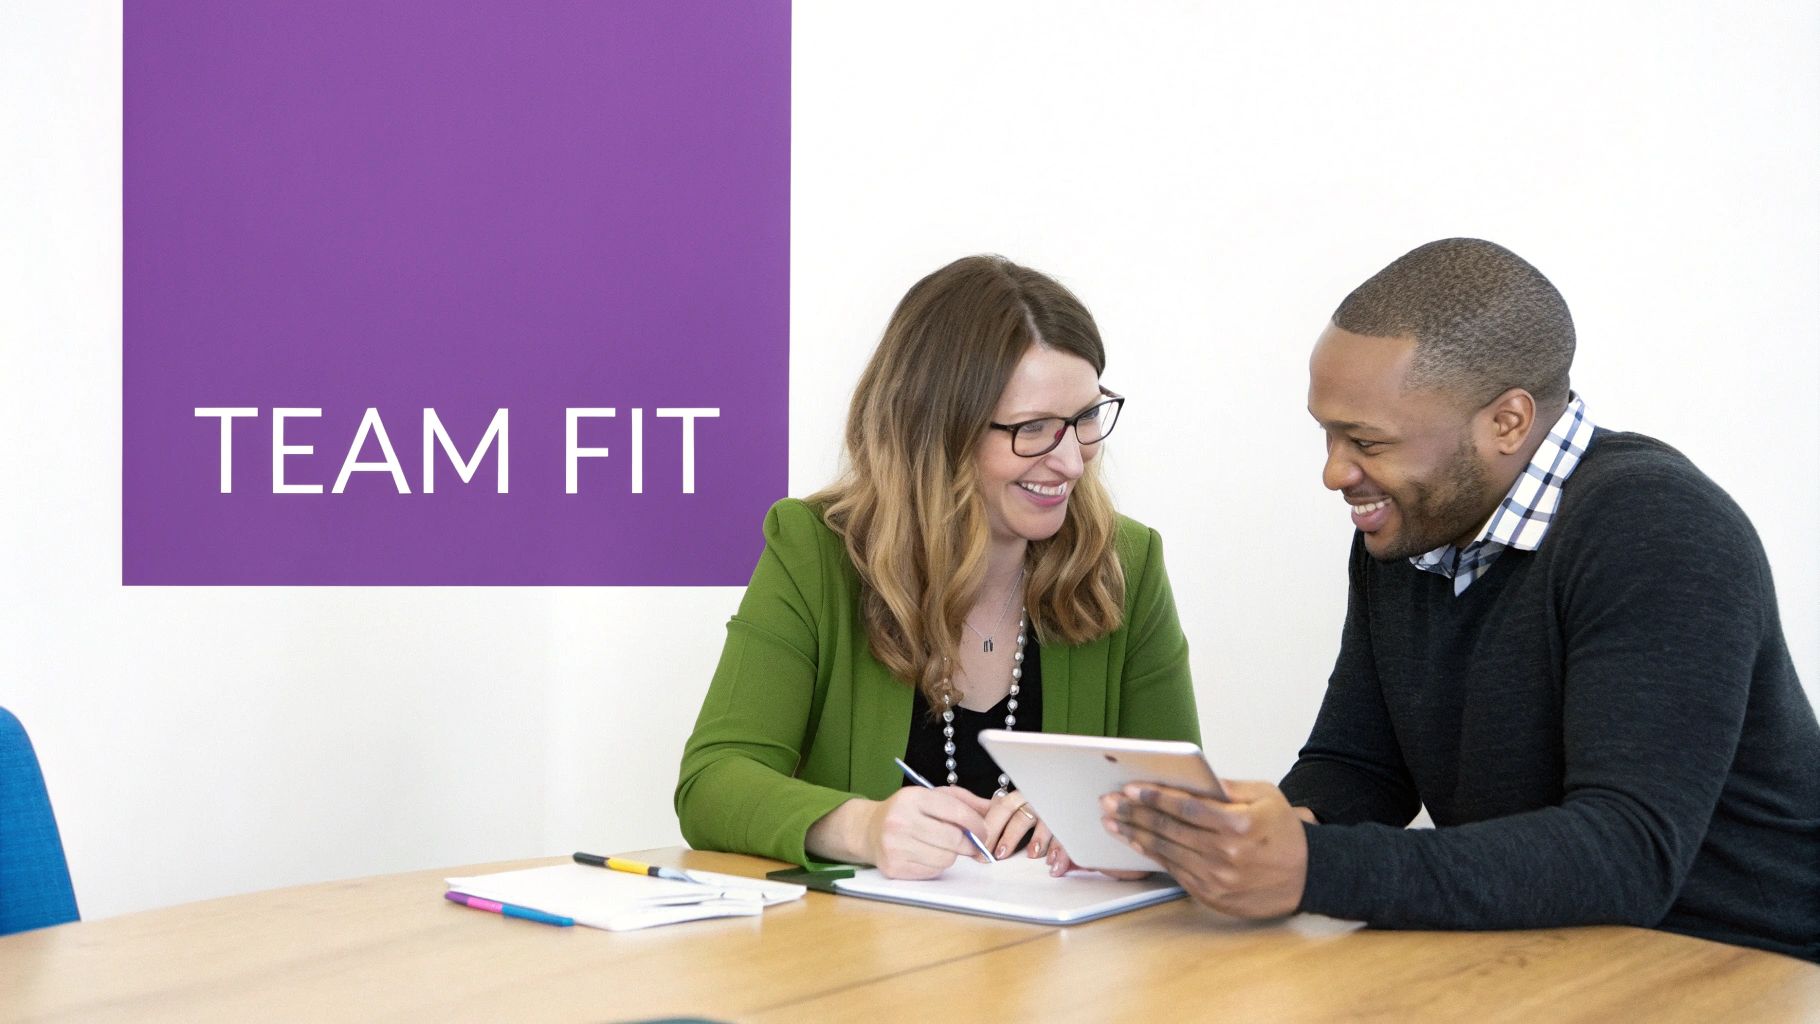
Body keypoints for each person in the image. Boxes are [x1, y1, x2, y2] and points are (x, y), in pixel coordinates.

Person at [1104, 238, 1819, 961]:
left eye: (1365, 441)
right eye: (1327, 434)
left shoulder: (1656, 527)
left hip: (1737, 965)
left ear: (1506, 422)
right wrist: (1224, 839)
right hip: (1546, 956)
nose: (1334, 472)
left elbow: (1626, 854)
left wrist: (1313, 867)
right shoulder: (1412, 528)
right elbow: (1361, 768)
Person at [677, 255, 1200, 879]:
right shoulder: (813, 550)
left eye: (1084, 419)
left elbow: (1185, 813)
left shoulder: (1127, 563)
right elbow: (712, 783)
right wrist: (864, 827)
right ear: (937, 431)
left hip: (1064, 965)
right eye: (1033, 429)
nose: (1071, 461)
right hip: (863, 961)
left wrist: (1098, 820)